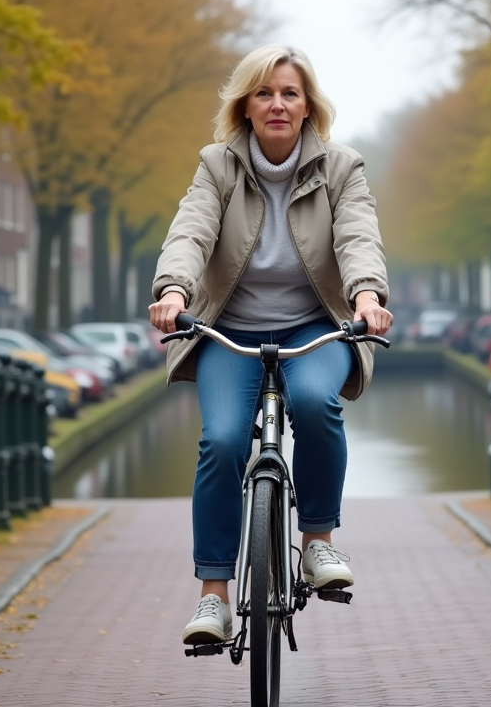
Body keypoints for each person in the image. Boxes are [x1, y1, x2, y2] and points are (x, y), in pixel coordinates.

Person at [147, 43, 392, 645]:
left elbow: (358, 237)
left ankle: (318, 541)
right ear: (245, 107)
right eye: (264, 93)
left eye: (289, 93)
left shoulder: (342, 167)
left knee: (315, 403)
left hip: (315, 326)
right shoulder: (217, 166)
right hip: (229, 331)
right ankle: (214, 597)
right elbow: (191, 232)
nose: (277, 104)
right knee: (222, 440)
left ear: (308, 106)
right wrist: (174, 290)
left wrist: (366, 297)